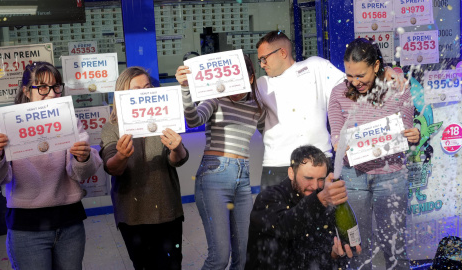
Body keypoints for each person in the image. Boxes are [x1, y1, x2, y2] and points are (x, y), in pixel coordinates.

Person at [0, 61, 102, 270]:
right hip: (26, 227)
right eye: (43, 88)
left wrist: (83, 159)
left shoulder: (69, 120)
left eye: (56, 87)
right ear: (26, 91)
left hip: (69, 221)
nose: (52, 94)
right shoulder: (9, 124)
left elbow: (82, 173)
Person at [328, 38, 420, 270]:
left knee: (394, 245)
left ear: (377, 66)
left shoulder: (398, 86)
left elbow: (405, 127)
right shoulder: (338, 93)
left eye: (361, 76)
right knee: (357, 247)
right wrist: (340, 144)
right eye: (350, 75)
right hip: (353, 177)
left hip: (392, 176)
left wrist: (413, 135)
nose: (354, 82)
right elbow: (336, 133)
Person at [175, 55, 265, 270]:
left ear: (251, 78)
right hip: (214, 175)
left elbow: (271, 135)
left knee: (244, 257)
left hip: (242, 181)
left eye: (239, 77)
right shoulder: (215, 99)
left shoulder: (257, 107)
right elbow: (193, 119)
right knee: (219, 258)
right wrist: (186, 90)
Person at [99, 66, 189, 270]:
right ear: (122, 94)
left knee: (173, 265)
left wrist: (178, 147)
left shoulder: (165, 120)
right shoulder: (112, 128)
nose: (143, 93)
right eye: (136, 89)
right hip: (133, 215)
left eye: (147, 87)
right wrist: (121, 156)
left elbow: (178, 159)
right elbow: (112, 167)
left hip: (168, 210)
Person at [245, 145, 361, 270]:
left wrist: (334, 254)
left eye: (321, 179)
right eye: (308, 178)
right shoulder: (268, 197)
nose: (315, 186)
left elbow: (318, 258)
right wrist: (319, 200)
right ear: (291, 173)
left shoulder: (325, 204)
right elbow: (285, 227)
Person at [255, 30, 345, 190]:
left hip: (318, 162)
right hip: (278, 164)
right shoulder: (262, 84)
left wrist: (383, 73)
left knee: (323, 214)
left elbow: (349, 88)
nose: (262, 64)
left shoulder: (315, 66)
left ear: (282, 52)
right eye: (260, 60)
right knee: (275, 215)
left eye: (264, 58)